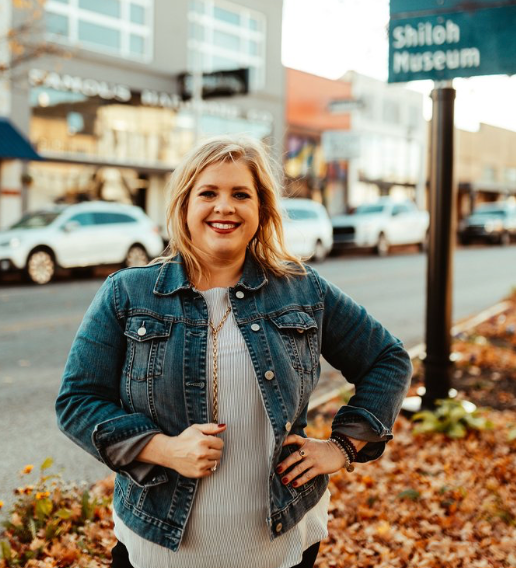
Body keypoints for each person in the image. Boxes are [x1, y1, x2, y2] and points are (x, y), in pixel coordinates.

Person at [56, 135, 412, 568]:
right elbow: (77, 402)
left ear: (260, 210)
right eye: (208, 193)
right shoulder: (128, 293)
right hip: (161, 543)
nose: (224, 206)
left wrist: (342, 447)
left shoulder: (302, 290)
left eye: (240, 194)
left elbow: (387, 360)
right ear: (185, 206)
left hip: (279, 541)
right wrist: (162, 449)